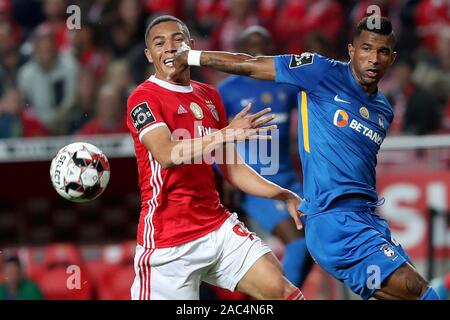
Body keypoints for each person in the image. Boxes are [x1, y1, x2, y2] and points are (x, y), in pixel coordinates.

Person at [171, 16, 440, 300]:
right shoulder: (320, 72)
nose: (373, 58)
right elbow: (249, 63)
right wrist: (192, 56)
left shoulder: (384, 111)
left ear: (392, 57)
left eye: (382, 51)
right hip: (334, 221)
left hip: (369, 219)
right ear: (351, 50)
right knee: (422, 293)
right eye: (366, 49)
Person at [126, 15, 304, 300]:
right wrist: (225, 134)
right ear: (150, 55)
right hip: (168, 240)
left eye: (177, 40)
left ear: (191, 46)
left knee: (282, 291)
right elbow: (166, 154)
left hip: (216, 225)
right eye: (160, 43)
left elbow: (233, 169)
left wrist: (282, 194)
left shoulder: (209, 95)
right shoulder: (143, 98)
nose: (170, 48)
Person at [217, 25, 313, 288]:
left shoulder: (286, 85)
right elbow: (215, 138)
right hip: (254, 183)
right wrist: (226, 175)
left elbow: (313, 100)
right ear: (240, 52)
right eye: (251, 46)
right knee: (298, 242)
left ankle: (276, 293)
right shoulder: (227, 90)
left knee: (315, 243)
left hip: (289, 181)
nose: (258, 51)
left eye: (264, 46)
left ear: (272, 50)